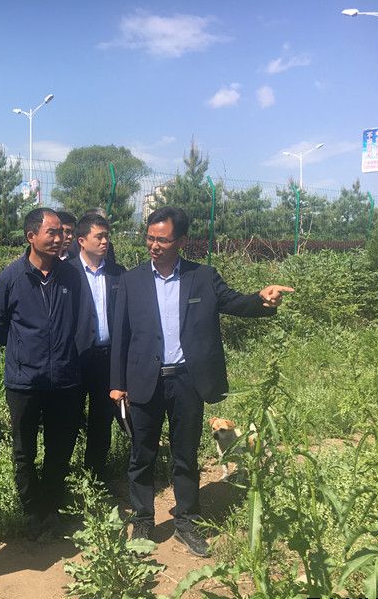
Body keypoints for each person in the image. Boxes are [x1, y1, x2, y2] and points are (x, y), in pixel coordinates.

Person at [109, 206, 294, 557]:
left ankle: (187, 521)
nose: (154, 245)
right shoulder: (132, 280)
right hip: (144, 380)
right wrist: (117, 383)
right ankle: (143, 520)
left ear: (181, 241)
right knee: (142, 454)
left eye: (163, 240)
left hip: (186, 380)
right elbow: (121, 333)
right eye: (150, 238)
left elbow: (234, 302)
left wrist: (262, 300)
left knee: (185, 454)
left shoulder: (203, 277)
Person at [0, 207, 83, 540]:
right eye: (52, 232)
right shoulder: (11, 278)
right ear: (31, 236)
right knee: (24, 450)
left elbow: (79, 318)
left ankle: (51, 509)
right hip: (24, 381)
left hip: (64, 380)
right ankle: (31, 510)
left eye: (62, 233)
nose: (60, 238)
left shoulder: (71, 276)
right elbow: (0, 321)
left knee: (60, 448)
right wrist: (25, 351)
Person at [68, 213, 124, 483]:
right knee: (69, 418)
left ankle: (96, 476)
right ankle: (63, 475)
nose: (105, 242)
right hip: (77, 359)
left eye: (107, 236)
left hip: (107, 359)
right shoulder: (67, 273)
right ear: (81, 240)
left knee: (102, 419)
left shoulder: (117, 273)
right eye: (99, 237)